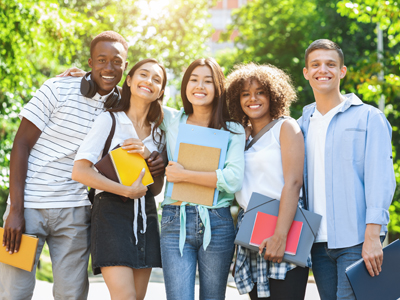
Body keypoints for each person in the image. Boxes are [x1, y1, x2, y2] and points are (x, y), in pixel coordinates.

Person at [0, 31, 163, 300]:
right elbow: (20, 145)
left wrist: (154, 158)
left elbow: (148, 103)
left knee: (72, 296)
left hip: (76, 213)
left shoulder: (120, 104)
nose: (108, 68)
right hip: (29, 206)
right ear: (90, 62)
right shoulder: (56, 87)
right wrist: (15, 210)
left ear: (125, 68)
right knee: (13, 293)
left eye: (116, 62)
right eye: (101, 60)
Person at [298, 39, 395, 300]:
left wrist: (373, 235)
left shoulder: (369, 118)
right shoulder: (300, 125)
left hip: (356, 240)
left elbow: (381, 179)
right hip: (317, 243)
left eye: (331, 64)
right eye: (315, 65)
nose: (323, 70)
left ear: (342, 71)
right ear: (306, 73)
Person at [71, 58, 166, 300]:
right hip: (111, 214)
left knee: (138, 298)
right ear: (130, 80)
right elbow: (80, 171)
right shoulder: (109, 120)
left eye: (157, 79)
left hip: (146, 214)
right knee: (125, 297)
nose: (149, 82)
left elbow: (154, 190)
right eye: (143, 75)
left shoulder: (160, 132)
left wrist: (151, 159)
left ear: (161, 92)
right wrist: (124, 191)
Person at [160, 57, 245, 300]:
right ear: (185, 86)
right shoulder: (171, 120)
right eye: (194, 80)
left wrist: (184, 175)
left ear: (219, 88)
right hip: (175, 220)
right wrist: (79, 77)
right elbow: (135, 95)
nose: (200, 86)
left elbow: (233, 180)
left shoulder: (233, 130)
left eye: (208, 81)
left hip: (217, 222)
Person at [226, 63, 310, 300]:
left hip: (285, 224)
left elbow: (294, 183)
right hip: (251, 226)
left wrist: (280, 236)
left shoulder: (286, 127)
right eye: (245, 94)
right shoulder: (238, 134)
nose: (252, 99)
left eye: (260, 92)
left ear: (273, 94)